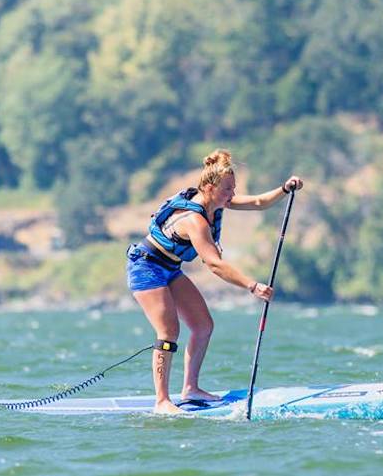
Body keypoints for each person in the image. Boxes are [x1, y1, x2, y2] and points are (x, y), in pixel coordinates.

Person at [126, 149, 303, 414]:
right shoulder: (194, 220)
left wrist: (284, 189)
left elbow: (258, 203)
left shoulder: (216, 202)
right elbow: (214, 264)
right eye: (228, 189)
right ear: (210, 187)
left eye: (234, 188)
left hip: (171, 268)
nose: (232, 194)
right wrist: (252, 286)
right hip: (146, 267)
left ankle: (190, 389)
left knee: (203, 325)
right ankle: (162, 401)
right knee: (168, 332)